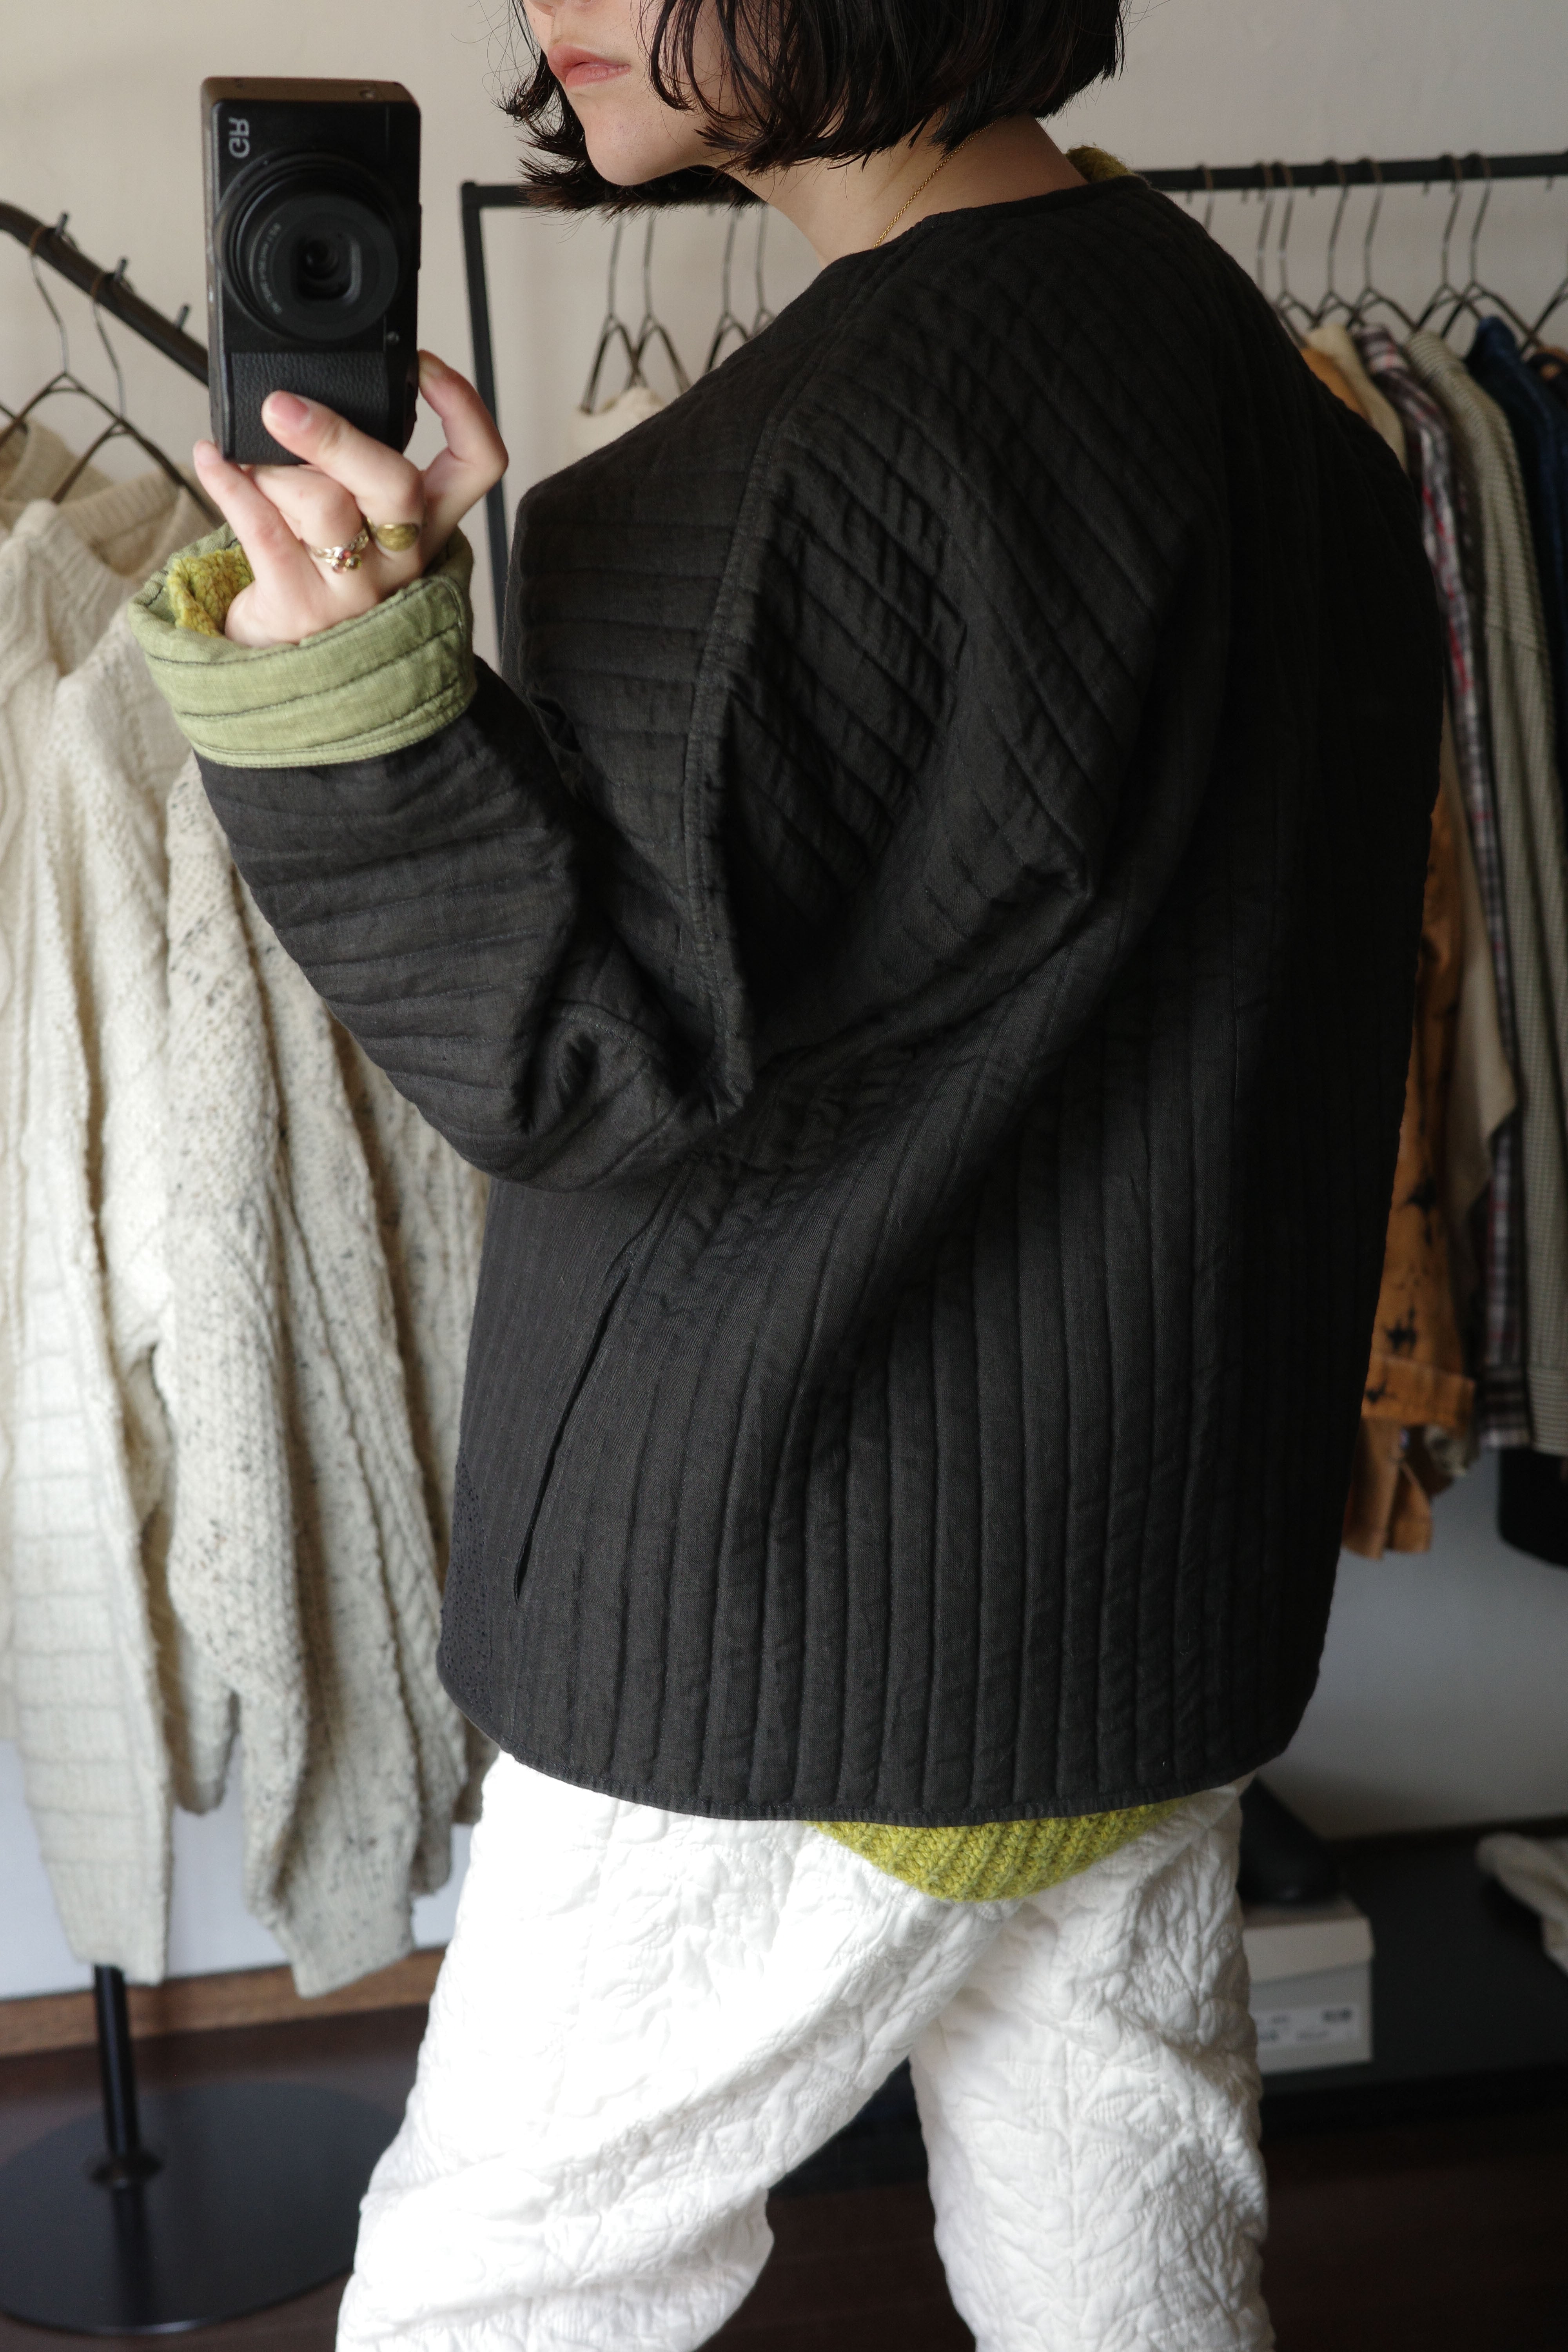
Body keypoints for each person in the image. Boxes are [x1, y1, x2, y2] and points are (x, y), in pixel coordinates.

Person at [129, 2, 1441, 2343]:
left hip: (796, 1605)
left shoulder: (793, 470)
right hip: (1140, 1569)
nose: (555, 1)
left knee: (509, 2279)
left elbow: (579, 1059)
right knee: (1121, 2232)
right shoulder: (1251, 380)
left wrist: (344, 699)